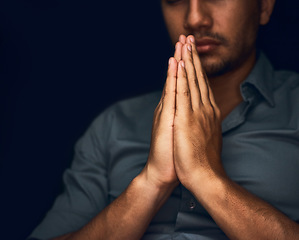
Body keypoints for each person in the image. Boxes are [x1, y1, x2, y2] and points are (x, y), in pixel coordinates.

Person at [28, 0, 299, 239]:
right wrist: (152, 183)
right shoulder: (113, 125)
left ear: (264, 5)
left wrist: (205, 177)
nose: (194, 18)